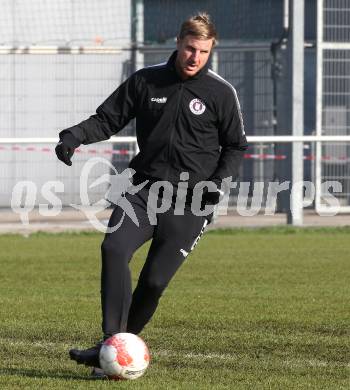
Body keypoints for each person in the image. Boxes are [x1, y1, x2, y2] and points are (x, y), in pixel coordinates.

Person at [55, 12, 247, 375]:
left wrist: (217, 183)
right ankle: (112, 341)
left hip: (192, 200)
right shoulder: (146, 81)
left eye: (204, 52)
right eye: (190, 48)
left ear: (211, 50)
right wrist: (74, 136)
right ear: (178, 42)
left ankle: (113, 347)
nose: (195, 57)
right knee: (113, 249)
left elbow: (236, 146)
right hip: (142, 189)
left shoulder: (221, 92)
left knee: (155, 282)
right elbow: (107, 118)